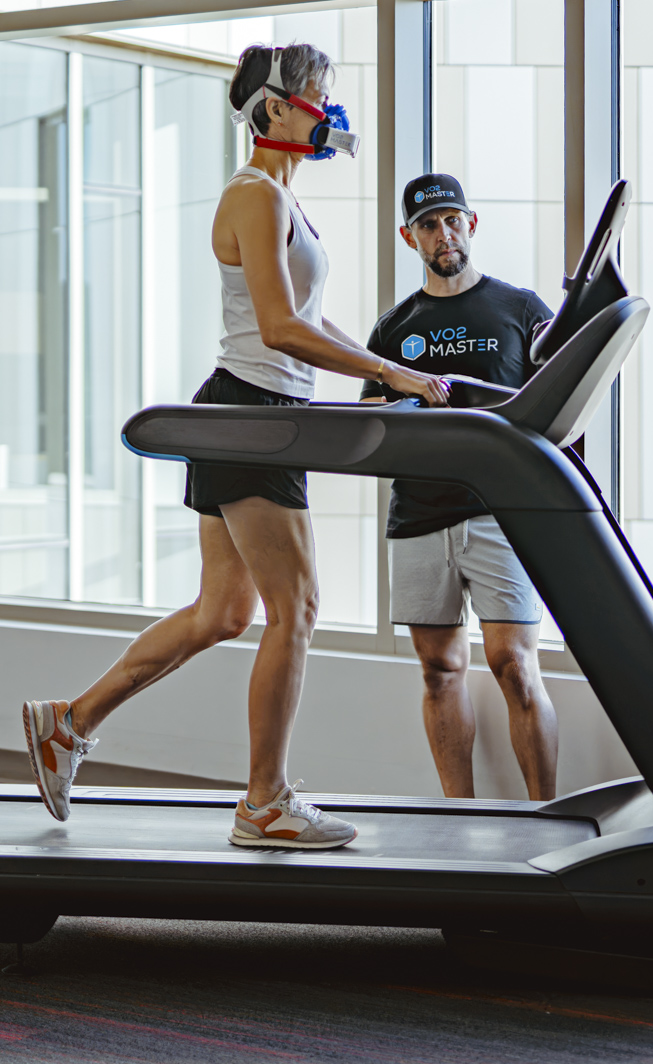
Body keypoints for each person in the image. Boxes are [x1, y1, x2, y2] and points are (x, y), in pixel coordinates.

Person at [23, 45, 450, 848]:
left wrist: (382, 373)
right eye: (318, 95)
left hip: (255, 411)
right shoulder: (254, 195)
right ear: (273, 108)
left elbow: (306, 324)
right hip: (253, 413)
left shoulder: (283, 201)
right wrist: (393, 369)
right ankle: (264, 803)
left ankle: (68, 722)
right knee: (299, 609)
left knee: (224, 611)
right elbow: (279, 329)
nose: (331, 110)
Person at [362, 173, 560, 801]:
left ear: (470, 224)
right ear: (409, 236)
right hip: (418, 515)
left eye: (451, 220)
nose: (442, 233)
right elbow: (368, 427)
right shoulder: (393, 331)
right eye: (428, 224)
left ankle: (545, 812)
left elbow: (562, 409)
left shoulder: (521, 309)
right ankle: (460, 815)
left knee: (514, 665)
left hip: (502, 513)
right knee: (440, 670)